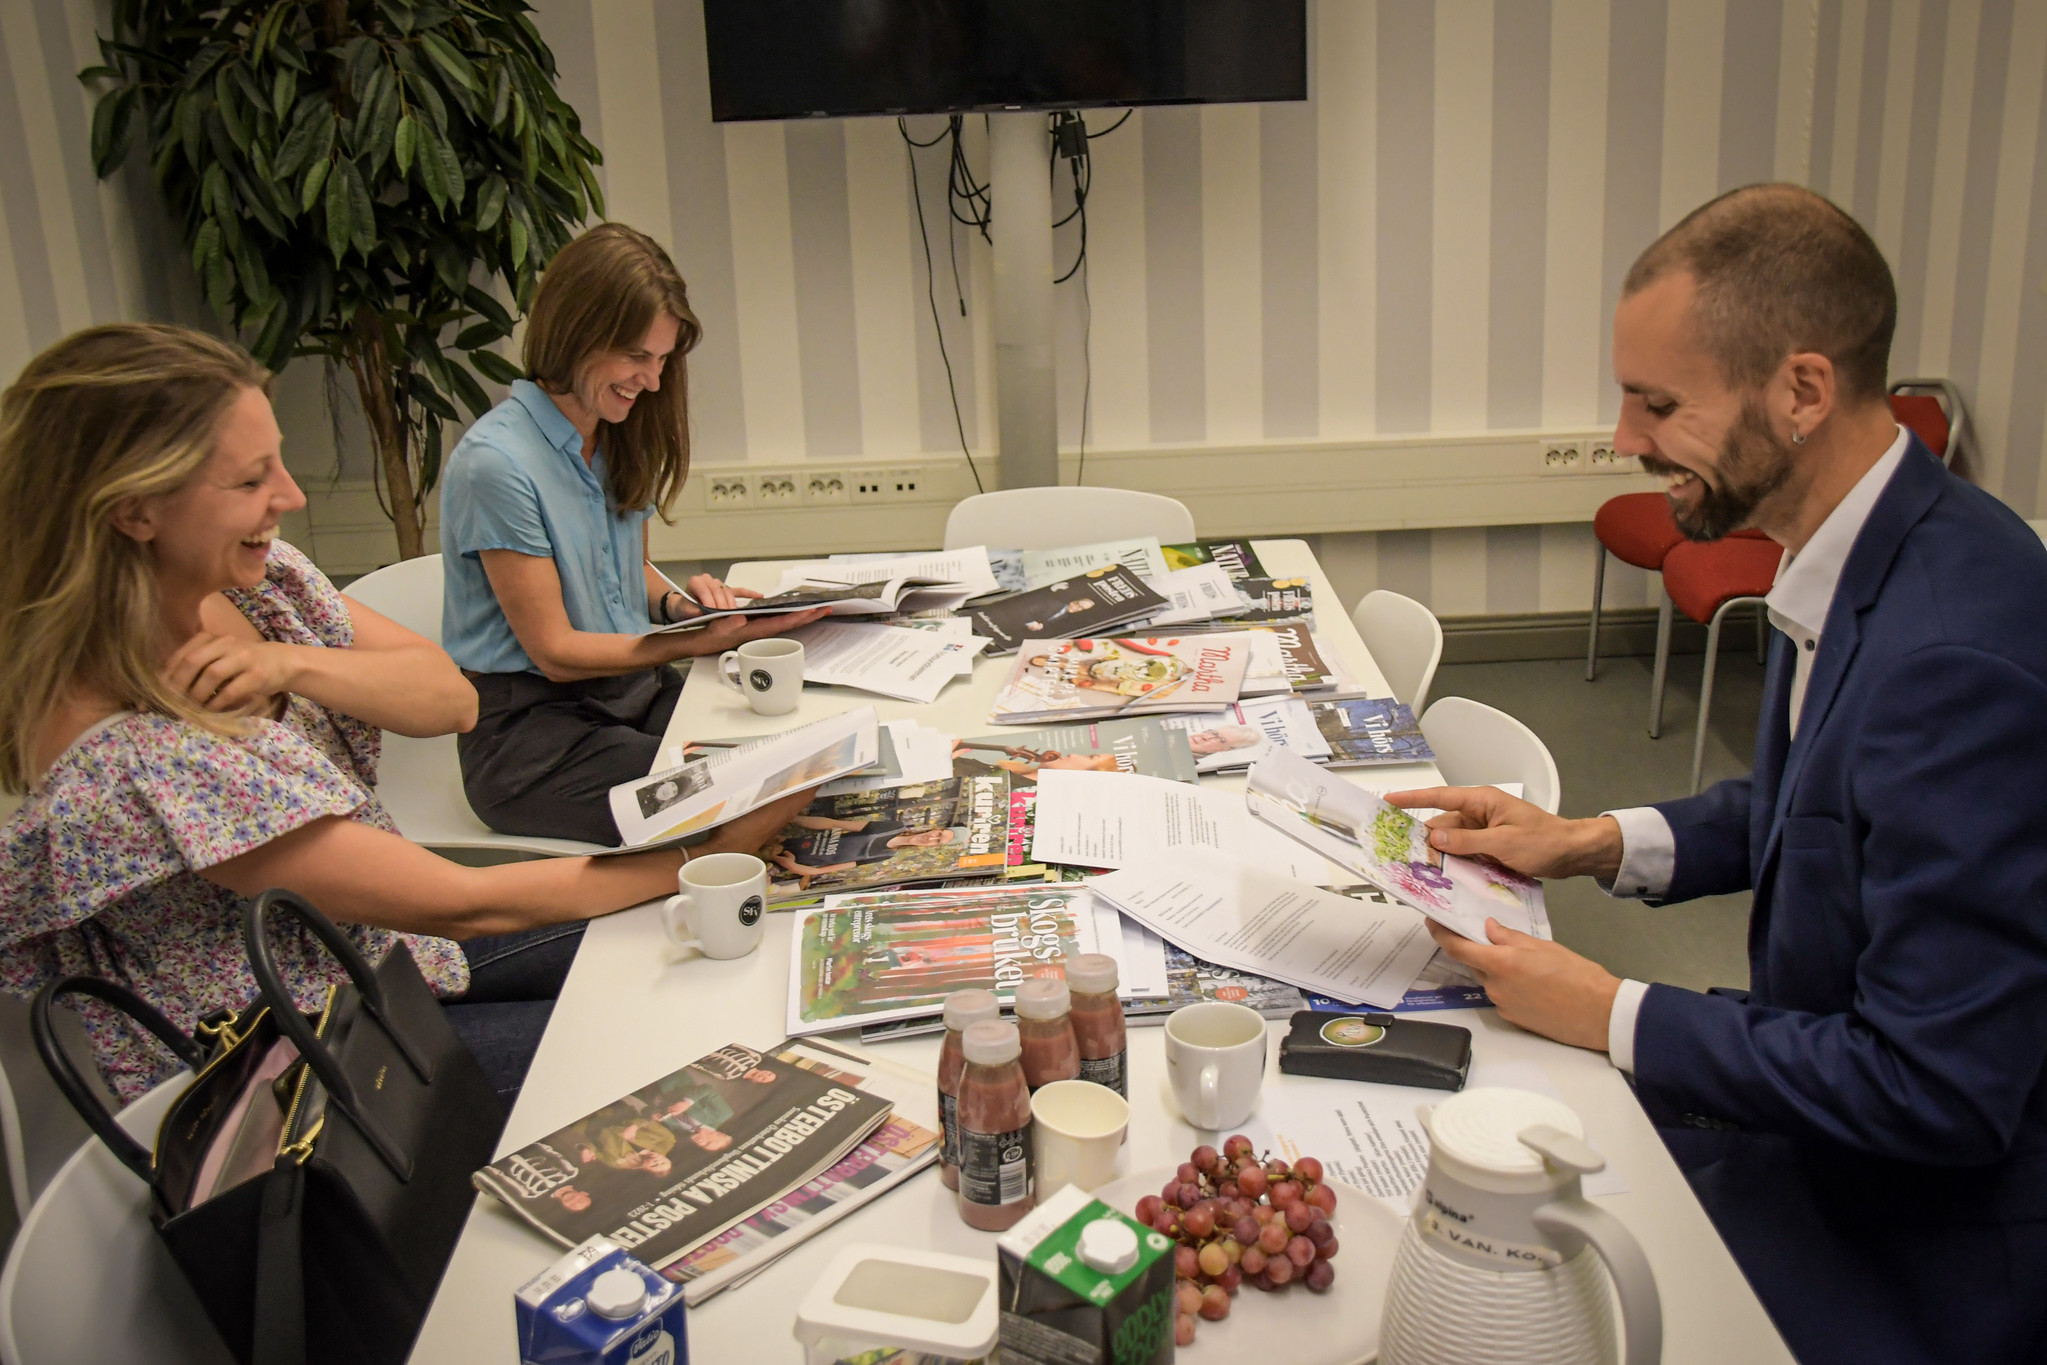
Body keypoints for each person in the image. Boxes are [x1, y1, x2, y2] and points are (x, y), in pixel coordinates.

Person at [1387, 185, 2047, 1365]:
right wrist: (1581, 841)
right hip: (1819, 1128)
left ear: (1801, 390)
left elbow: (1936, 1091)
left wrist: (1612, 1008)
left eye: (1658, 403)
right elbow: (1826, 813)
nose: (1629, 439)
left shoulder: (1954, 653)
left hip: (1915, 1239)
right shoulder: (1875, 545)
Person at [0, 323, 812, 1105]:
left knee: (714, 957)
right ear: (135, 510)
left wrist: (290, 661)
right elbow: (462, 901)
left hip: (378, 961)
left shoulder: (256, 583)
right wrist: (710, 853)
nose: (288, 495)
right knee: (689, 1039)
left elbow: (451, 698)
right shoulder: (131, 756)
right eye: (250, 481)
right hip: (315, 1068)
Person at [439, 223, 826, 847]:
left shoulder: (615, 432)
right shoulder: (497, 464)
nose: (651, 380)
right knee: (745, 802)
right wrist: (687, 644)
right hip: (535, 739)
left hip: (629, 693)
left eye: (663, 359)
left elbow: (624, 573)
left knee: (804, 760)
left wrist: (680, 607)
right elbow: (556, 652)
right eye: (636, 357)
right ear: (575, 334)